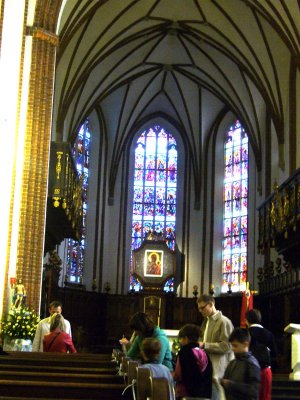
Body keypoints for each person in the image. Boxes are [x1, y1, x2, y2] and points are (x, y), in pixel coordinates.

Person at [197, 294, 234, 400]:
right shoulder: (206, 321)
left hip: (219, 369)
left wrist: (205, 345)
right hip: (208, 368)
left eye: (203, 308)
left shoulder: (224, 321)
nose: (200, 311)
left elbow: (227, 346)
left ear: (211, 304)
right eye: (199, 309)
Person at [173, 323, 212, 399]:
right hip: (203, 394)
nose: (180, 341)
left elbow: (178, 375)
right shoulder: (204, 353)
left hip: (185, 394)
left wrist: (171, 375)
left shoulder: (184, 352)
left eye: (181, 338)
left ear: (186, 338)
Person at [220, 327, 261, 400]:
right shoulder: (233, 362)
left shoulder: (251, 363)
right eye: (232, 345)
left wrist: (231, 385)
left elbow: (254, 391)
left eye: (235, 345)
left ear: (246, 344)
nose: (232, 348)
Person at [246, 308, 277, 400]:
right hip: (265, 370)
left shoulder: (245, 333)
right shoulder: (269, 334)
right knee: (265, 396)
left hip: (248, 369)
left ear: (246, 320)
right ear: (260, 319)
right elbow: (274, 353)